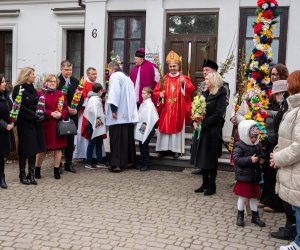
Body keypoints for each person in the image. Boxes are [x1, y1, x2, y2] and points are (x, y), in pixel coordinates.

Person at [270, 70, 300, 250]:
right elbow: (286, 138)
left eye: (288, 82)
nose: (285, 85)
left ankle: (297, 244)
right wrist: (276, 153)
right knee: (297, 208)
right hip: (291, 166)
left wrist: (279, 158)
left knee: (299, 208)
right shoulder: (294, 107)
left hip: (295, 168)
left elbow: (298, 146)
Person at [153, 50, 195, 158]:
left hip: (178, 108)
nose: (172, 68)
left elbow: (190, 90)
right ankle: (163, 149)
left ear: (178, 66)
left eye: (174, 66)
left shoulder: (183, 78)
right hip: (165, 108)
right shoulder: (163, 79)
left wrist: (183, 84)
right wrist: (160, 95)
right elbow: (155, 92)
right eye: (170, 66)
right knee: (164, 127)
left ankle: (176, 150)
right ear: (168, 67)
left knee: (176, 127)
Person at [191, 72, 227, 195]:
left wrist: (203, 124)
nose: (204, 81)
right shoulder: (204, 93)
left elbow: (218, 114)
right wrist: (194, 122)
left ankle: (212, 185)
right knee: (202, 157)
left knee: (210, 159)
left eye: (206, 79)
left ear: (213, 80)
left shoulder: (221, 94)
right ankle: (204, 183)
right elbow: (196, 110)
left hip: (212, 132)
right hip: (202, 131)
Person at [192, 59, 230, 174]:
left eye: (207, 70)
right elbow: (198, 103)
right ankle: (202, 166)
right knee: (201, 146)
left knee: (211, 148)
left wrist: (210, 119)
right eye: (203, 70)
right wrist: (196, 119)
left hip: (215, 121)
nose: (204, 72)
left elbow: (223, 106)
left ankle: (210, 170)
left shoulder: (223, 86)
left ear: (213, 71)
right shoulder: (202, 85)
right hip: (203, 120)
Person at [12, 67, 46, 185]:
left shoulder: (33, 89)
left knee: (34, 148)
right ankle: (22, 174)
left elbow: (38, 104)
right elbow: (19, 107)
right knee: (25, 148)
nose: (34, 76)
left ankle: (31, 174)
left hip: (35, 123)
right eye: (32, 74)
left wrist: (41, 114)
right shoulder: (18, 88)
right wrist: (34, 115)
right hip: (25, 122)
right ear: (26, 76)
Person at [106, 61, 138, 172]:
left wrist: (113, 110)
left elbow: (115, 93)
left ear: (112, 69)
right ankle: (128, 161)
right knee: (126, 140)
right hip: (127, 115)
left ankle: (117, 164)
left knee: (117, 140)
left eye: (108, 70)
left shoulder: (115, 76)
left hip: (118, 116)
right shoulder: (126, 77)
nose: (108, 73)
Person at [232, 120, 266, 227]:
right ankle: (240, 215)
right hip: (244, 177)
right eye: (251, 137)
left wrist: (261, 159)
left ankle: (255, 216)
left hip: (254, 176)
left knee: (254, 197)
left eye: (255, 137)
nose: (254, 139)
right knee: (242, 197)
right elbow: (237, 160)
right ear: (245, 135)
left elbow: (261, 154)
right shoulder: (239, 145)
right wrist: (250, 160)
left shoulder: (257, 145)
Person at [35, 74, 68, 180]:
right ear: (46, 83)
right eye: (50, 81)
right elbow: (39, 108)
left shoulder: (61, 94)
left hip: (58, 125)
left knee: (58, 149)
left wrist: (61, 114)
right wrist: (50, 113)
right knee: (42, 149)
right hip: (46, 125)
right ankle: (37, 169)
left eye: (54, 81)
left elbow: (65, 109)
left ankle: (56, 170)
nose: (53, 83)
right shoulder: (41, 93)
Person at [58, 60, 83, 173]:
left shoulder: (75, 81)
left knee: (70, 140)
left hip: (72, 115)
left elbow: (80, 98)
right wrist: (65, 108)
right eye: (66, 70)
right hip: (61, 114)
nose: (68, 72)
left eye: (70, 70)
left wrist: (76, 109)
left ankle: (69, 163)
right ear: (61, 69)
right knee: (59, 140)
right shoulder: (57, 81)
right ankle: (58, 164)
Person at [134, 87, 159, 171]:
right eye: (142, 93)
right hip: (143, 127)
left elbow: (148, 118)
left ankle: (147, 164)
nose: (142, 94)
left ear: (149, 95)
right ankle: (143, 162)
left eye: (144, 93)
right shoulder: (144, 103)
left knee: (144, 146)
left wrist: (143, 128)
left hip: (147, 128)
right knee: (141, 146)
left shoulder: (149, 105)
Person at [83, 83, 106, 169]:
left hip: (96, 124)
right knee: (92, 143)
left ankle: (99, 161)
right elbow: (92, 112)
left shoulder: (94, 98)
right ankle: (88, 162)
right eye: (102, 90)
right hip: (93, 124)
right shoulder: (94, 99)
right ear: (100, 90)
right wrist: (97, 122)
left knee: (99, 142)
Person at [0, 74, 16, 188]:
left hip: (5, 131)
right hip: (2, 128)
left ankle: (2, 177)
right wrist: (5, 125)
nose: (5, 83)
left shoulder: (6, 96)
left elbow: (12, 110)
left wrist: (13, 121)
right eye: (2, 82)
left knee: (1, 156)